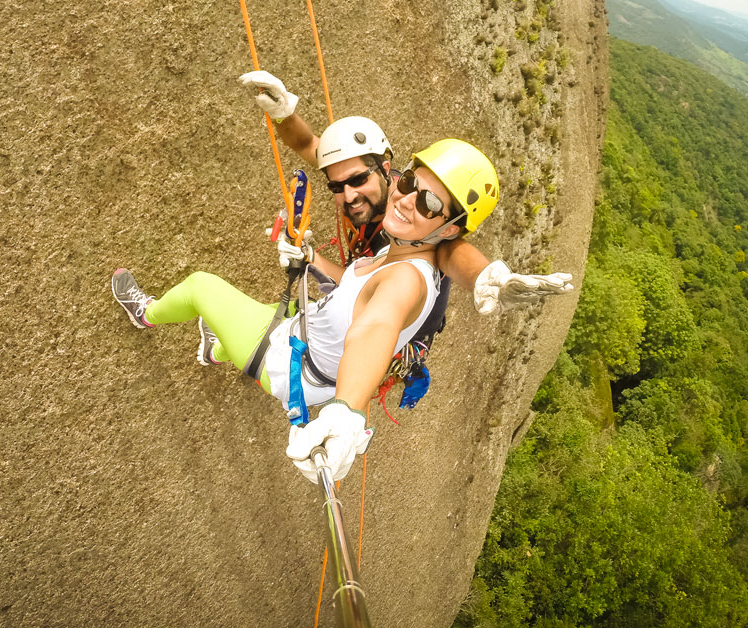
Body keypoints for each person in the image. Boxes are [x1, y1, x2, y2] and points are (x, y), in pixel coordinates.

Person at [112, 139, 498, 484]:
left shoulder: (406, 281)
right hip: (302, 337)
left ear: (447, 230)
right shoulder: (401, 249)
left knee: (200, 286)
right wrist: (311, 258)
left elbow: (377, 325)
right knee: (242, 325)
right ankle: (216, 349)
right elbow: (353, 284)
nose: (407, 198)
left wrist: (346, 412)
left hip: (287, 360)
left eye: (429, 203)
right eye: (412, 181)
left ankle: (145, 313)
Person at [237, 69, 573, 322]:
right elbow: (309, 145)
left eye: (356, 180)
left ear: (385, 169)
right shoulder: (394, 184)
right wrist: (283, 113)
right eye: (336, 187)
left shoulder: (414, 222)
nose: (349, 195)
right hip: (364, 269)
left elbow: (449, 251)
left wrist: (485, 276)